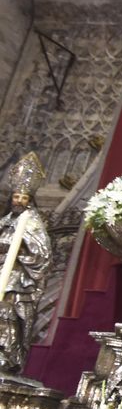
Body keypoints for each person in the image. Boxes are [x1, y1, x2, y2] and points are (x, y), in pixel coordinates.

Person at [0, 153, 52, 373]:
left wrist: (20, 251)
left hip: (17, 278)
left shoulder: (32, 223)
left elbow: (42, 252)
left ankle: (6, 355)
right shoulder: (5, 221)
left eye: (24, 197)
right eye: (16, 196)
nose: (19, 201)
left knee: (8, 315)